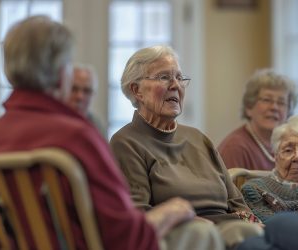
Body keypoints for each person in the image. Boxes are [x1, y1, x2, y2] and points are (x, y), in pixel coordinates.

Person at [0, 16, 224, 250]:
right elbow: (124, 237)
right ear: (61, 73)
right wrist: (172, 211)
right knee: (199, 234)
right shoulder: (76, 137)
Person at [109, 45, 263, 249]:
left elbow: (235, 201)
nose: (175, 85)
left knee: (250, 231)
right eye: (164, 77)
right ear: (136, 90)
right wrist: (188, 219)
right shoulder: (126, 142)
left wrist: (254, 222)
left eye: (180, 78)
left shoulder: (198, 138)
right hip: (178, 233)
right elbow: (138, 212)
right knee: (203, 233)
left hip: (222, 227)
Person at [218, 69, 298, 171]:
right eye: (266, 100)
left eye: (281, 102)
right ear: (249, 107)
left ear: (289, 112)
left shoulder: (288, 147)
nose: (274, 107)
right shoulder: (235, 148)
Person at [66, 63, 104, 135]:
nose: (80, 96)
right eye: (74, 89)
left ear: (93, 94)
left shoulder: (97, 125)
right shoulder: (54, 121)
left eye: (86, 91)